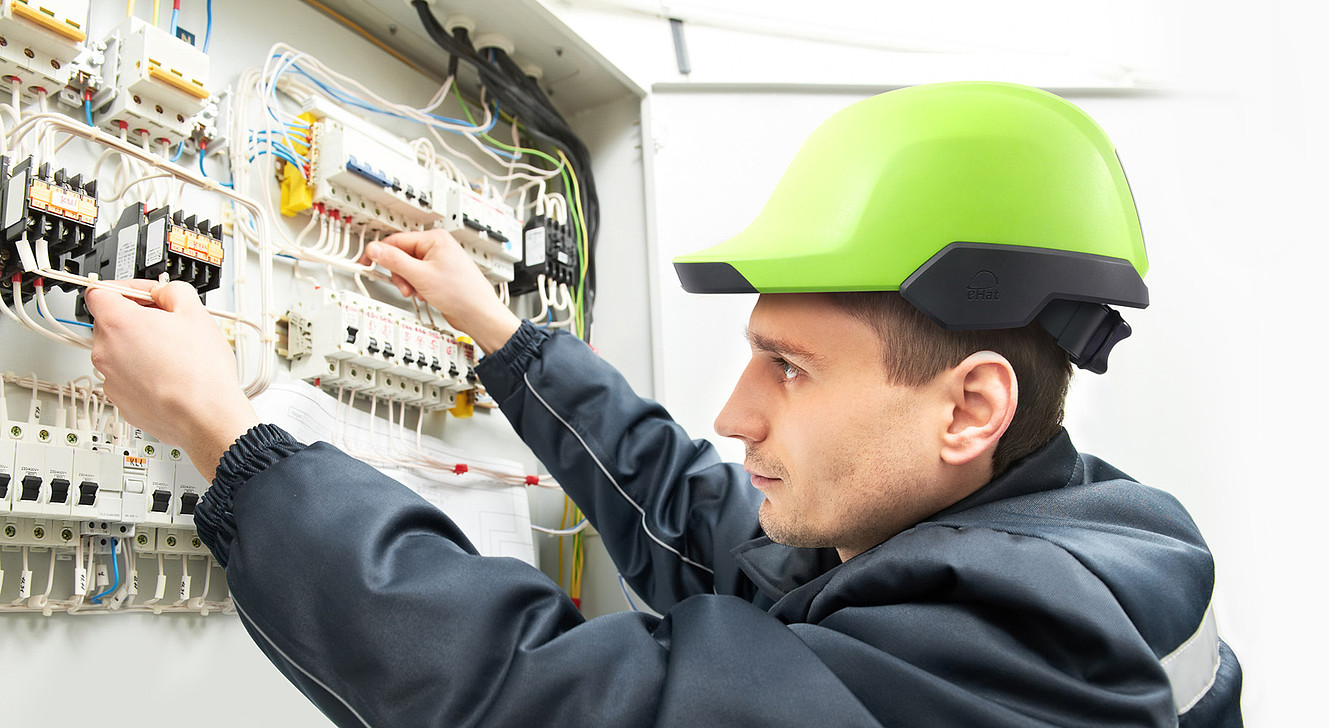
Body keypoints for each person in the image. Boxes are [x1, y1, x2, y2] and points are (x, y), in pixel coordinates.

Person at [85, 82, 1243, 726]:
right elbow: (716, 532)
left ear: (966, 406)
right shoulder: (1057, 534)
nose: (736, 415)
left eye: (788, 367)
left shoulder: (1014, 650)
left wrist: (224, 431)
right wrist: (504, 332)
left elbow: (529, 700)